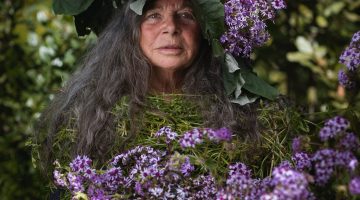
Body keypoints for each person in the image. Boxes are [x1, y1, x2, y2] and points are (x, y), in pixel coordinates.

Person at [34, 0, 258, 180]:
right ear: (131, 32)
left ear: (204, 33)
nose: (171, 27)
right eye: (153, 15)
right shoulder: (87, 118)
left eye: (186, 15)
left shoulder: (240, 119)